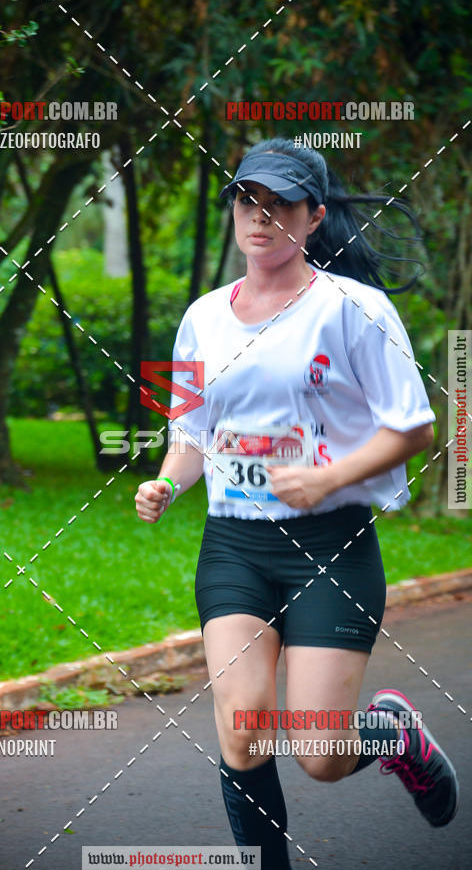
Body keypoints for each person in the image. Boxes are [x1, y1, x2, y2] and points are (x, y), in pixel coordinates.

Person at [134, 138, 459, 868]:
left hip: (330, 545)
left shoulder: (356, 309)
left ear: (314, 217)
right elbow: (189, 433)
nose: (261, 216)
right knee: (243, 727)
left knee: (320, 753)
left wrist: (327, 479)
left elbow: (415, 428)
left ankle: (395, 735)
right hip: (234, 546)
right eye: (249, 200)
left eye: (281, 204)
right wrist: (167, 482)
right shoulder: (202, 318)